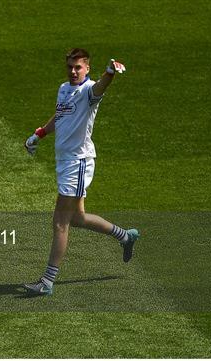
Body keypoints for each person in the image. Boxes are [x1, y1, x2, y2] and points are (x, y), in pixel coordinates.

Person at [22, 48, 140, 296]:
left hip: (78, 164)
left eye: (78, 67)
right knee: (77, 218)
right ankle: (125, 236)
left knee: (60, 222)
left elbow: (101, 88)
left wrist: (110, 72)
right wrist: (39, 134)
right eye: (70, 67)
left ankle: (47, 281)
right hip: (64, 162)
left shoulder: (89, 91)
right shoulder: (64, 89)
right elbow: (61, 115)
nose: (74, 71)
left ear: (87, 69)